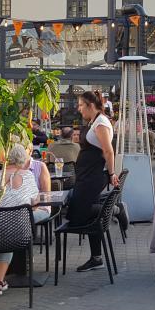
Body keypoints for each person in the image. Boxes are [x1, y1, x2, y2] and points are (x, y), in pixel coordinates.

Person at [58, 91, 120, 272]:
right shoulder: (95, 122)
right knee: (85, 215)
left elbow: (108, 151)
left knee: (78, 217)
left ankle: (114, 209)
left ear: (90, 106)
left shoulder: (101, 124)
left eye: (80, 105)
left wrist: (112, 173)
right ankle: (96, 257)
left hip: (92, 178)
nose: (78, 109)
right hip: (87, 177)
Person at [0, 144, 39, 296]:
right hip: (19, 233)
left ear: (4, 158)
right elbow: (35, 202)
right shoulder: (28, 175)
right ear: (24, 159)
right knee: (9, 227)